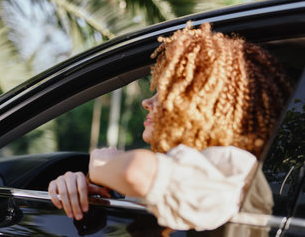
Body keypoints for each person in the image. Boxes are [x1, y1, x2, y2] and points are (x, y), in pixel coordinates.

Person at [48, 22, 291, 231]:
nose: (147, 102)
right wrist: (81, 187)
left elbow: (134, 171)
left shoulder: (232, 166)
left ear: (203, 103)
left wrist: (101, 162)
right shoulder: (188, 165)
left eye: (166, 92)